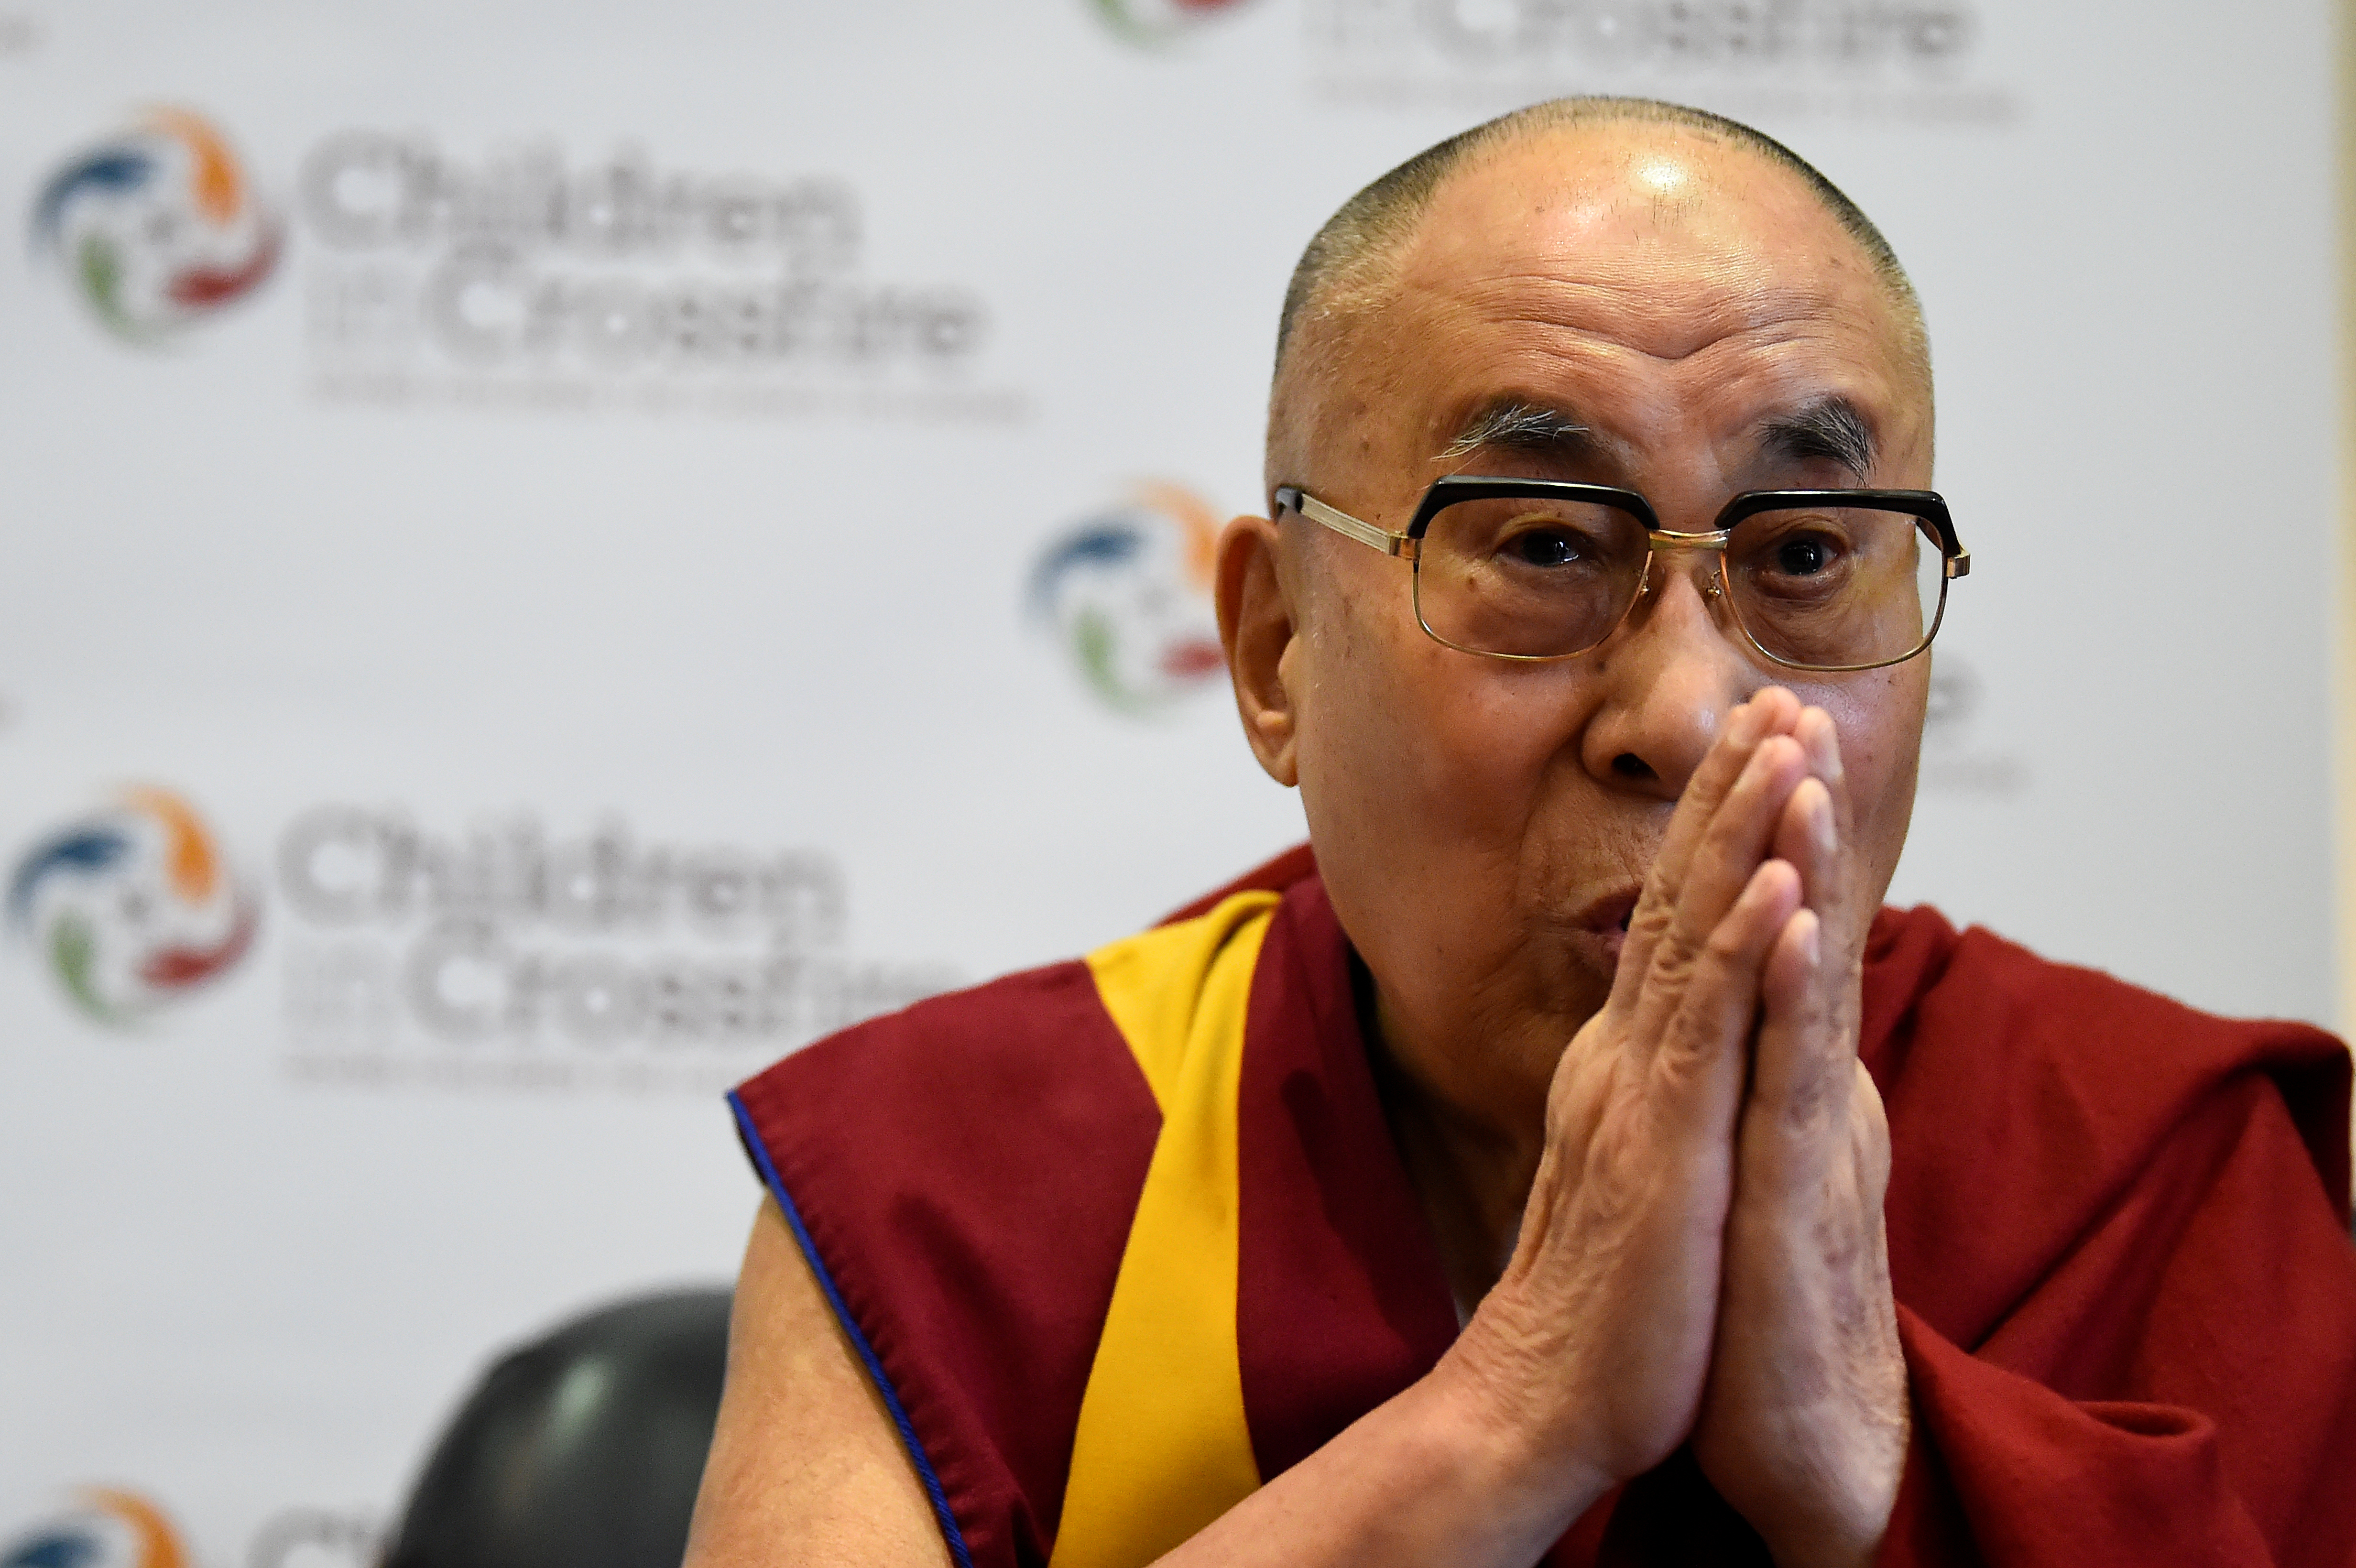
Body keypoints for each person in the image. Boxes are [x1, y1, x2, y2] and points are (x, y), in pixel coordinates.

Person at [682, 98, 2356, 1567]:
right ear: (1274, 652)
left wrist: (1868, 1452)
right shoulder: (965, 1184)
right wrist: (1517, 1414)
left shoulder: (2154, 1171)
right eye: (1548, 546)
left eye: (1802, 556)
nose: (1686, 717)